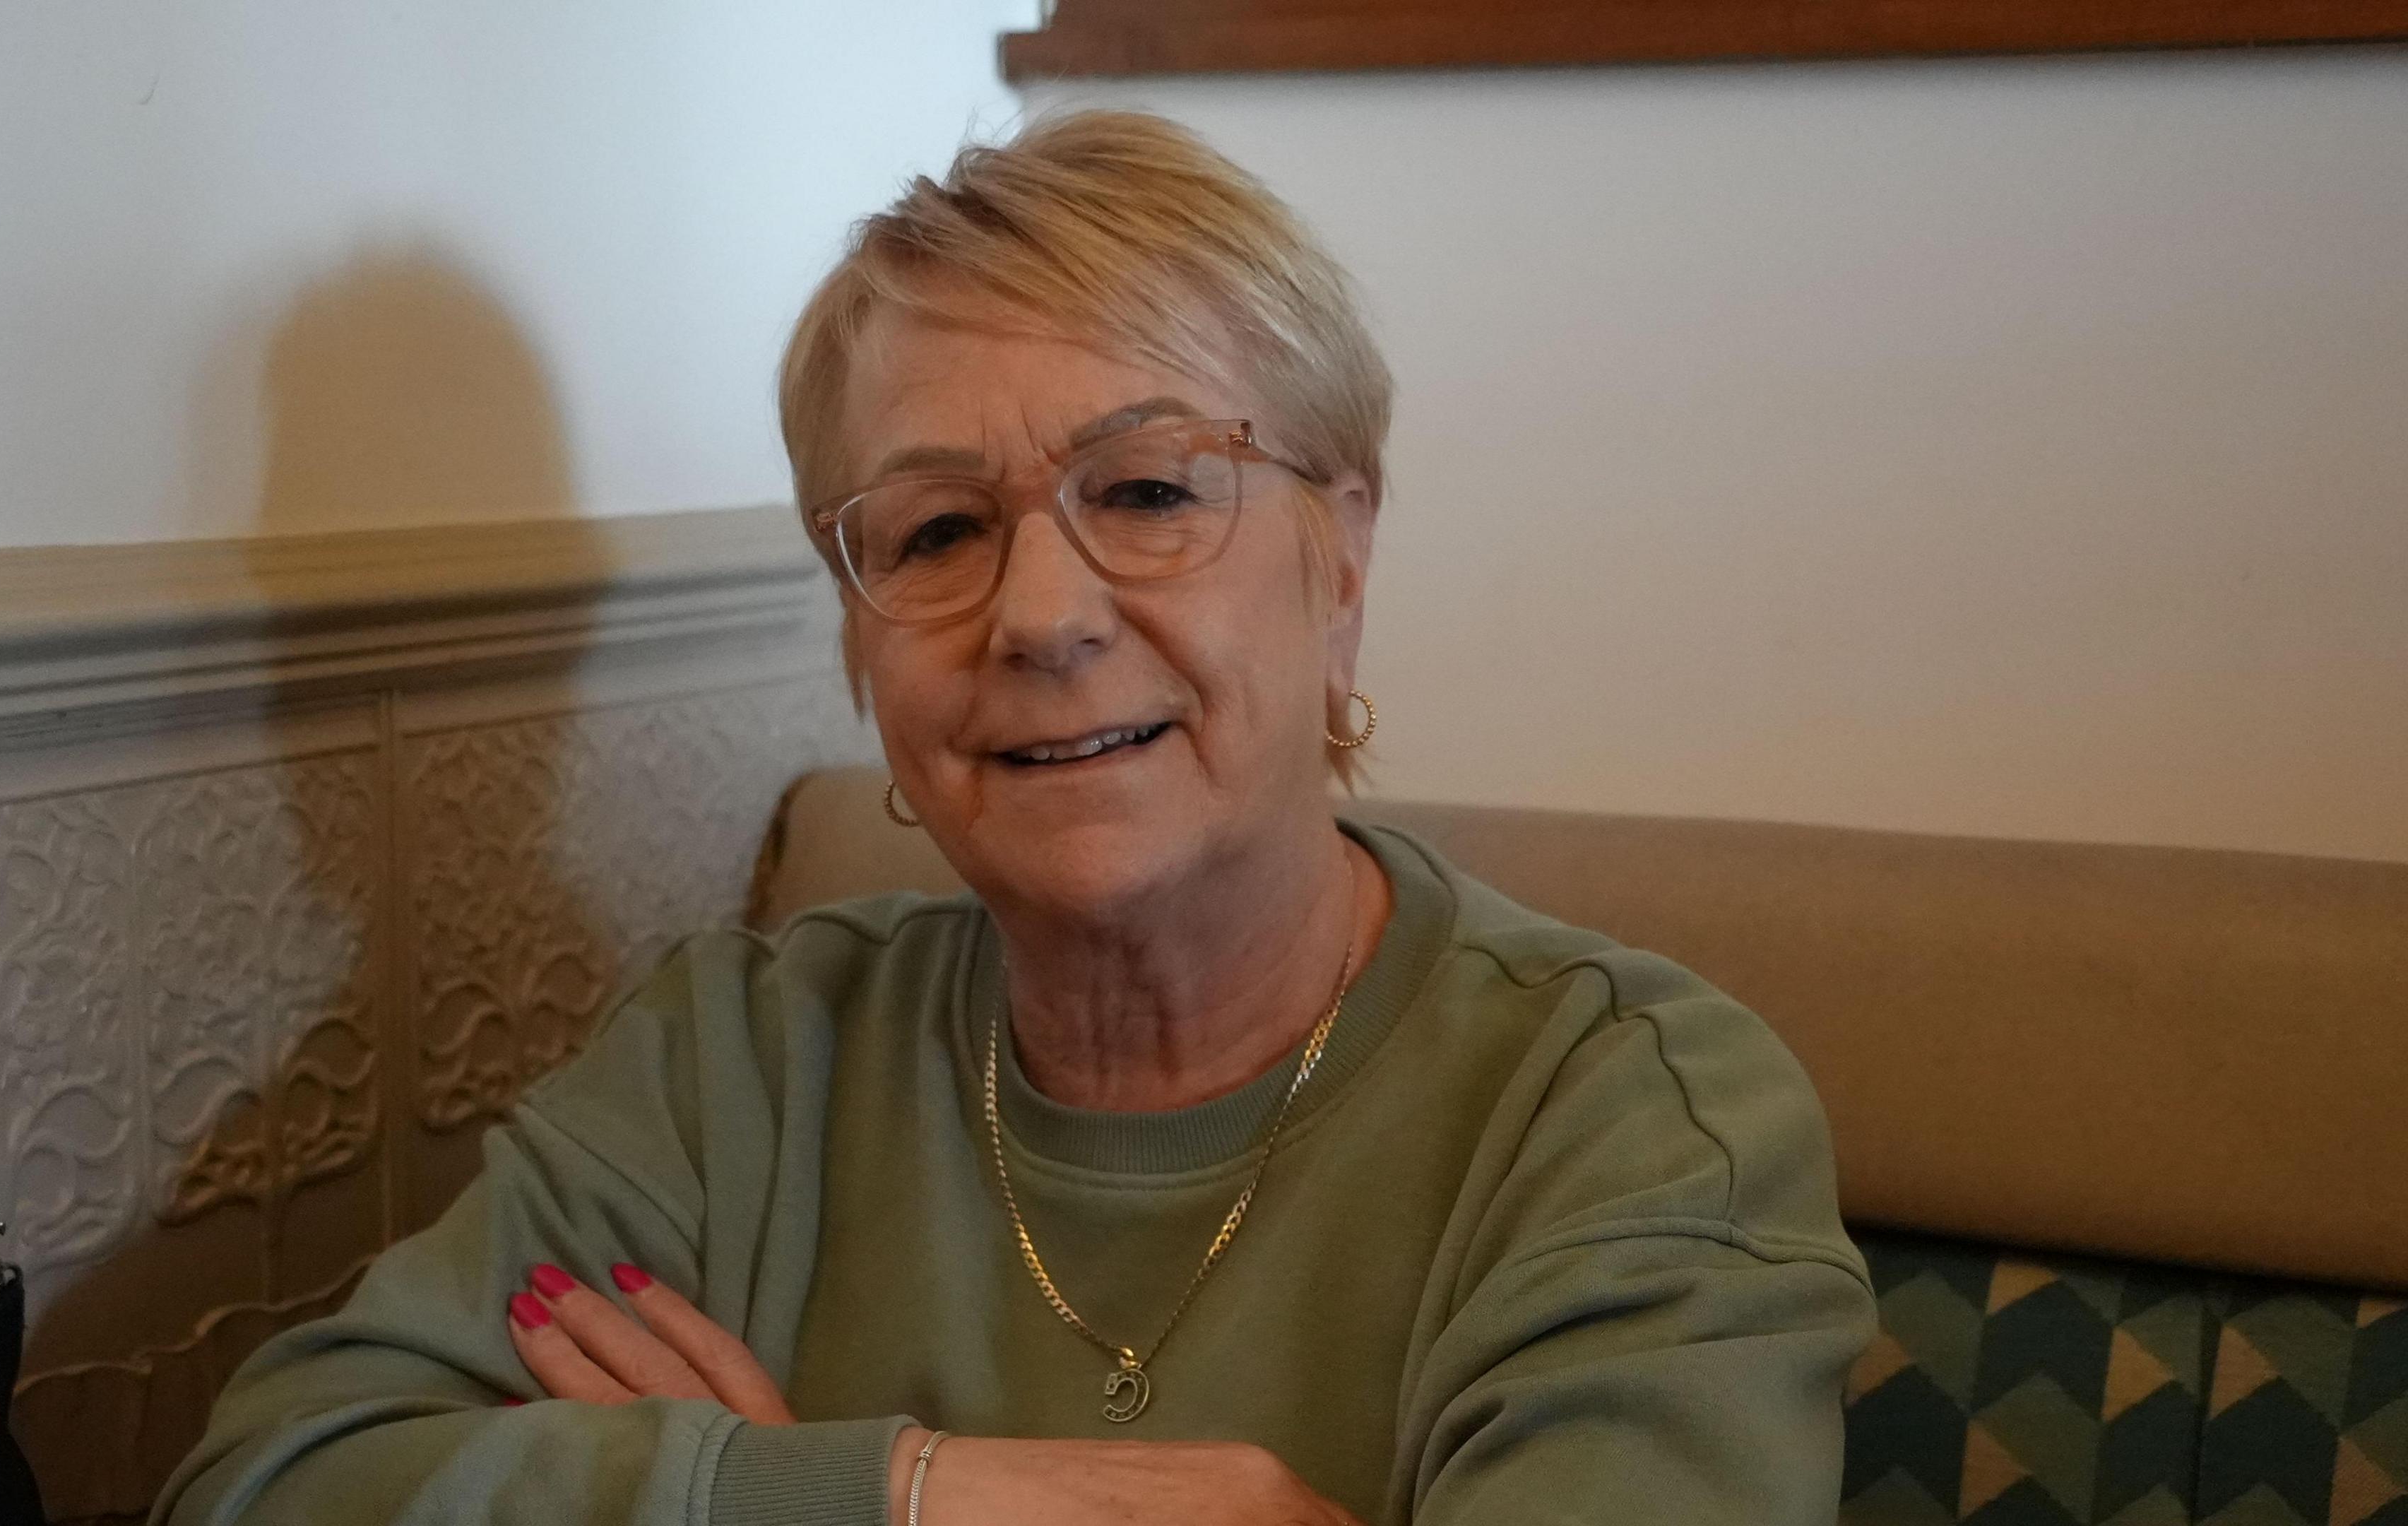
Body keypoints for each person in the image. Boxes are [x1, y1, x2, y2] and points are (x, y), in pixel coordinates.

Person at [155, 110, 1874, 1526]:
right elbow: (270, 1484)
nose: (1039, 613)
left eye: (1145, 491)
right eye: (935, 533)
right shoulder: (737, 1061)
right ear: (858, 635)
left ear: (1339, 559)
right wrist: (899, 1497)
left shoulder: (1634, 1121)